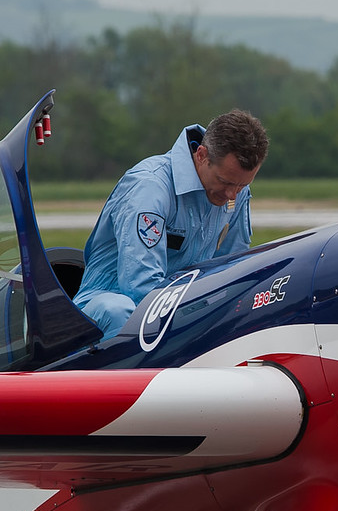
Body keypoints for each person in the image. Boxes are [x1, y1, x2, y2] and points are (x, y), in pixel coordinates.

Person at [74, 109, 268, 339]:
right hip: (111, 307)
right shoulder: (149, 188)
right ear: (201, 155)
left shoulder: (236, 193)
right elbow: (141, 286)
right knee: (119, 310)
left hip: (184, 310)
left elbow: (231, 270)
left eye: (241, 185)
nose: (231, 194)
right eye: (224, 181)